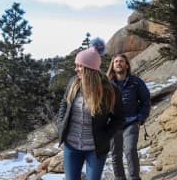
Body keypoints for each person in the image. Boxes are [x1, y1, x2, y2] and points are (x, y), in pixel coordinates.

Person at [57, 38, 124, 180]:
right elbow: (64, 104)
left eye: (80, 66)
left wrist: (106, 135)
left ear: (90, 69)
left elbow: (119, 118)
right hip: (71, 147)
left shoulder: (110, 91)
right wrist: (61, 124)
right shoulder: (73, 83)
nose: (76, 69)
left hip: (95, 149)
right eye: (76, 65)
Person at [106, 54, 151, 180]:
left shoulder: (136, 82)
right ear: (113, 66)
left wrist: (140, 119)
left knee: (130, 149)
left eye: (121, 61)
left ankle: (134, 177)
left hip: (131, 121)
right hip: (113, 124)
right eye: (116, 61)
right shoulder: (107, 85)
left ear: (126, 65)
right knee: (116, 154)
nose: (119, 63)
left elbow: (146, 101)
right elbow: (101, 106)